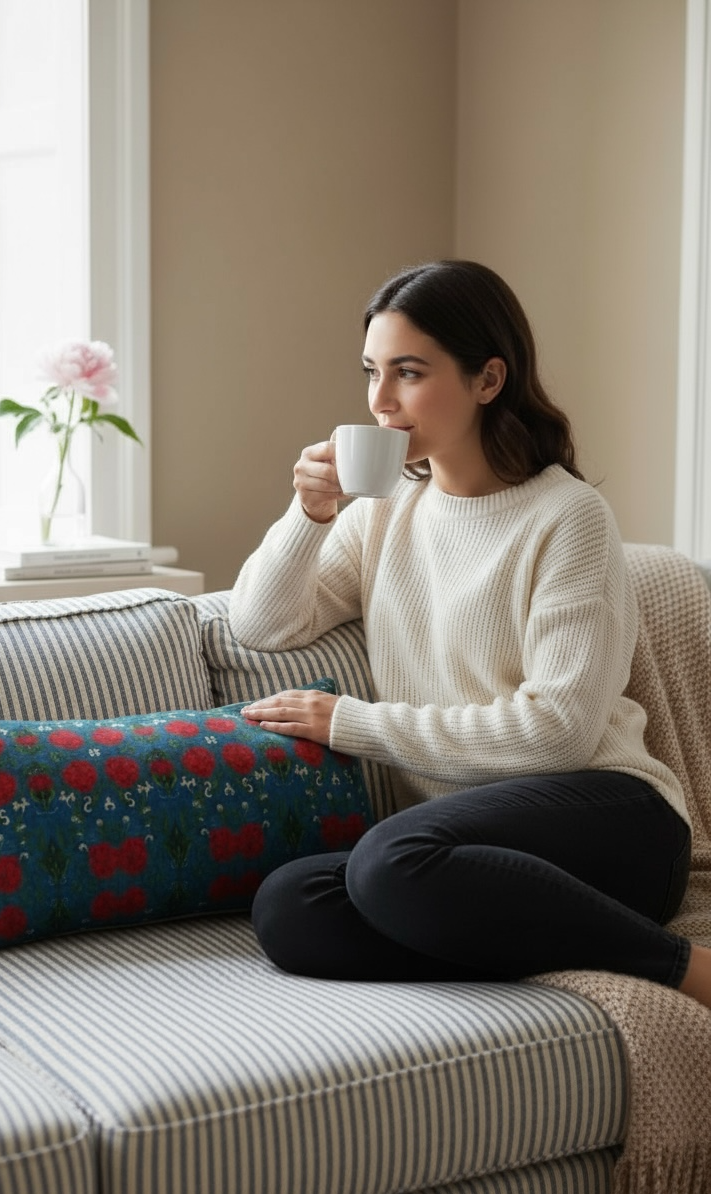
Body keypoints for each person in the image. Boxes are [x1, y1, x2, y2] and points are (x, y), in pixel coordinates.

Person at [229, 258, 711, 1008]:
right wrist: (310, 514)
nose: (380, 401)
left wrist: (352, 724)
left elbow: (558, 734)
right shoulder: (383, 514)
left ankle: (681, 967)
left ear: (489, 379)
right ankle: (532, 934)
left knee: (389, 863)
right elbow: (260, 623)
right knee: (290, 906)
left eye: (409, 373)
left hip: (611, 819)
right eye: (372, 372)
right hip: (466, 849)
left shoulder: (568, 517)